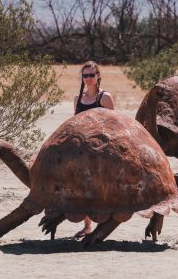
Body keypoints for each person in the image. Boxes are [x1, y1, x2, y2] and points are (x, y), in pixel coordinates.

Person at [73, 61, 114, 238]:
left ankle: (105, 223)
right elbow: (74, 124)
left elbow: (114, 124)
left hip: (101, 149)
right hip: (83, 150)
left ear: (98, 76)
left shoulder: (105, 98)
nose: (88, 79)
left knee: (101, 187)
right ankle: (87, 225)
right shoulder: (78, 99)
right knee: (82, 186)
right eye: (85, 76)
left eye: (91, 75)